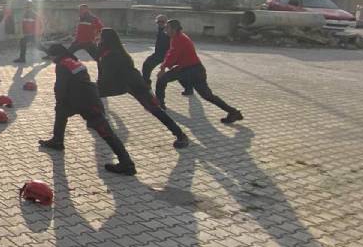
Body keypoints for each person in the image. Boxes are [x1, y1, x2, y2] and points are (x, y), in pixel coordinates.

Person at [38, 43, 137, 176]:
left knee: (105, 132)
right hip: (83, 98)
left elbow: (60, 87)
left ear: (55, 55)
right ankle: (57, 140)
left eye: (51, 56)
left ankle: (127, 164)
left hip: (87, 102)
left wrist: (60, 101)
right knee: (61, 112)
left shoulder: (62, 65)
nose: (50, 59)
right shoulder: (72, 61)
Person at [96, 28, 190, 148]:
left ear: (106, 39)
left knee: (154, 109)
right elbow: (103, 73)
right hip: (123, 83)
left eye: (100, 35)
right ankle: (96, 120)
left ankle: (181, 135)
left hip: (134, 84)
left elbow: (106, 76)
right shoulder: (107, 51)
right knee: (91, 95)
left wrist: (96, 87)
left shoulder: (112, 54)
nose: (97, 37)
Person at [155, 20, 244, 123]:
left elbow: (172, 55)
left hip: (189, 70)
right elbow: (171, 53)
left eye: (167, 28)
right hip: (196, 69)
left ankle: (159, 105)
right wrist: (165, 66)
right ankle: (233, 112)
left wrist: (162, 68)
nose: (165, 30)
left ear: (174, 29)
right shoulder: (179, 36)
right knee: (207, 95)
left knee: (161, 79)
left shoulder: (178, 39)